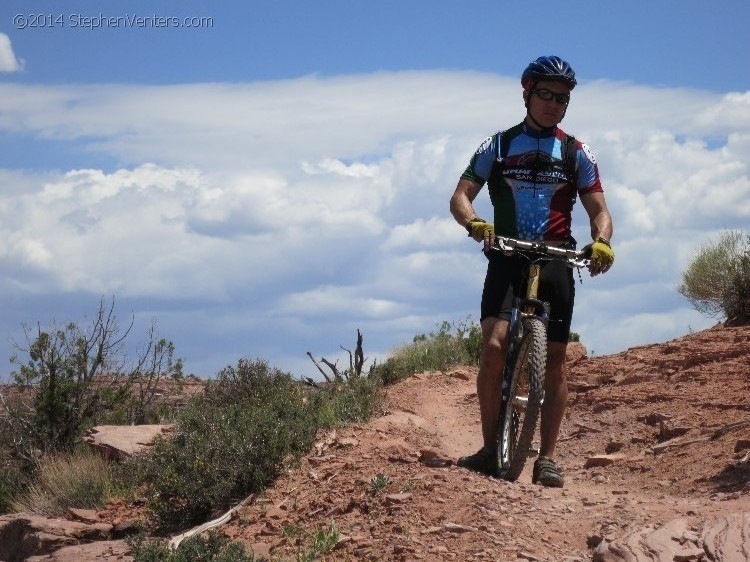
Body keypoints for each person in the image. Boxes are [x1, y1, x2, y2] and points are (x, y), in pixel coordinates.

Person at [449, 55, 614, 487]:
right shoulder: (498, 146)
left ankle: (548, 458)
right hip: (506, 255)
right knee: (493, 347)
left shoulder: (577, 151)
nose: (553, 104)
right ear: (527, 92)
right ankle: (490, 450)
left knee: (556, 359)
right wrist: (475, 223)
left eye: (562, 99)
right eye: (545, 94)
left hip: (557, 256)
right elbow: (460, 197)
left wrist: (602, 241)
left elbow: (600, 211)